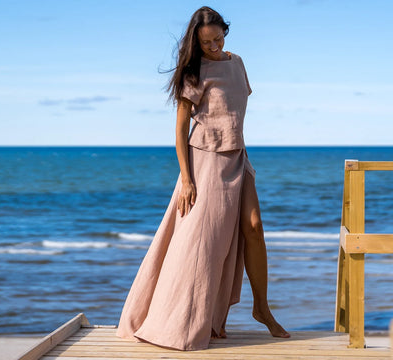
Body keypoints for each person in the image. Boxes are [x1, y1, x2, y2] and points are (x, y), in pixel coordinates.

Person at [116, 6, 289, 350]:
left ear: (226, 31)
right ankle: (182, 319)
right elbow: (180, 128)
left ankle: (262, 309)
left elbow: (233, 112)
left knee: (254, 228)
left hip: (238, 156)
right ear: (196, 41)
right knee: (201, 245)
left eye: (217, 37)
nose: (213, 45)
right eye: (206, 41)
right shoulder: (195, 71)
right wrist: (187, 178)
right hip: (205, 160)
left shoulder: (237, 63)